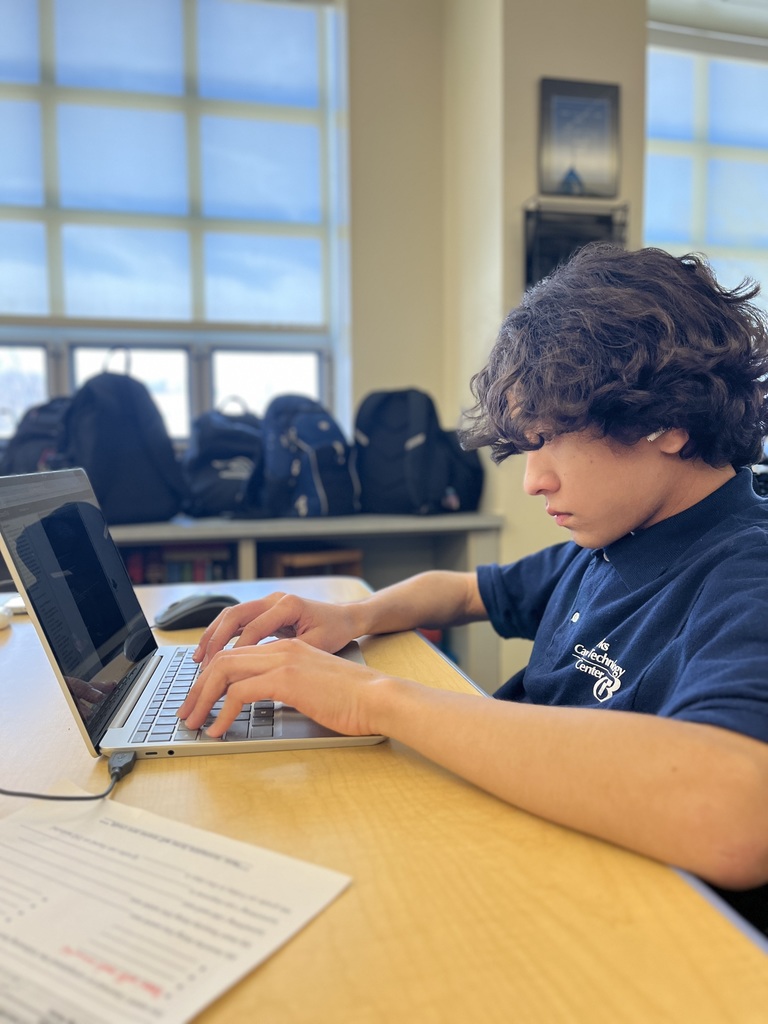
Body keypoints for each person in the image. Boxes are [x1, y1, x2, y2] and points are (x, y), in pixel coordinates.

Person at [179, 243, 768, 891]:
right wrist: (354, 614)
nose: (532, 481)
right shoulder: (619, 540)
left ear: (669, 422)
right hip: (505, 842)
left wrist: (373, 699)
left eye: (547, 442)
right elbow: (462, 592)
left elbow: (735, 814)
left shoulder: (747, 571)